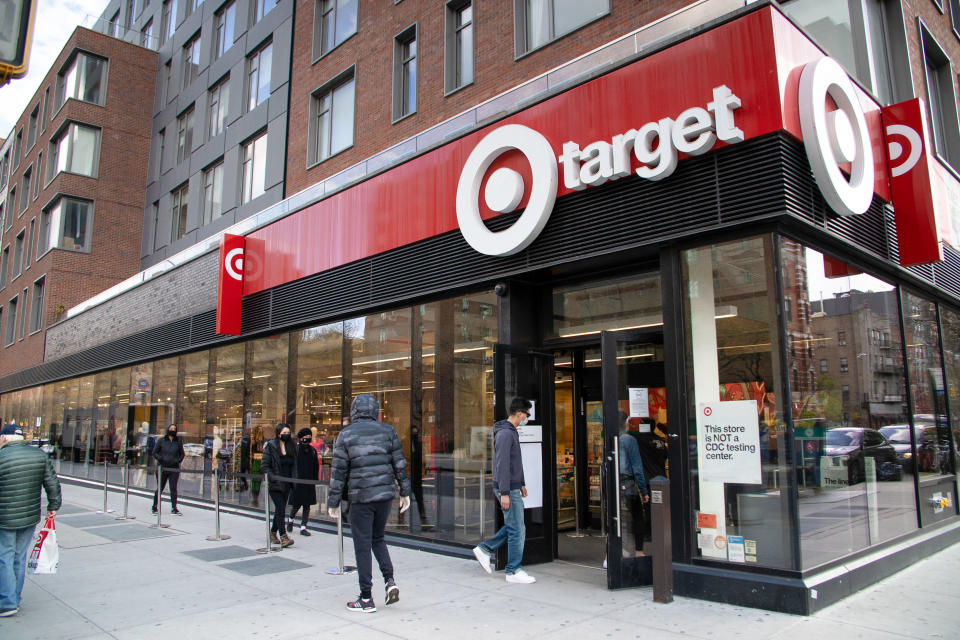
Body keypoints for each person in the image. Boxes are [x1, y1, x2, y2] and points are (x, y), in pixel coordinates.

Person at [328, 394, 411, 613]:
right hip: (384, 495)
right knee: (378, 538)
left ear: (355, 410)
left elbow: (338, 472)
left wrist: (333, 501)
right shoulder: (388, 431)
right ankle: (390, 580)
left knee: (362, 545)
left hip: (360, 497)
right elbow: (399, 463)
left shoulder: (346, 435)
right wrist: (405, 491)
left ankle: (366, 598)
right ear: (375, 410)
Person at [0, 424, 61, 617]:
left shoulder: (2, 457)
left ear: (4, 438)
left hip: (5, 517)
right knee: (18, 556)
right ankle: (14, 598)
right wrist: (53, 507)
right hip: (29, 516)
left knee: (5, 557)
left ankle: (7, 602)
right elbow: (52, 483)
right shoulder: (39, 455)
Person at [472, 397, 536, 584]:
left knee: (515, 526)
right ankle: (513, 570)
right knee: (517, 529)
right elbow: (502, 465)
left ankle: (485, 549)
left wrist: (521, 482)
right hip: (507, 488)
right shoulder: (506, 434)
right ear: (519, 414)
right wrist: (506, 492)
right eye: (527, 414)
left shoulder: (510, 432)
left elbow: (515, 462)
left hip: (513, 487)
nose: (527, 418)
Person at [619, 413, 650, 557]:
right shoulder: (629, 440)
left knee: (614, 519)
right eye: (628, 421)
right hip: (628, 485)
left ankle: (609, 555)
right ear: (625, 423)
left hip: (614, 484)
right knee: (638, 517)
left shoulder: (610, 438)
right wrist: (644, 491)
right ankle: (639, 551)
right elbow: (637, 468)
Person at [261, 423, 295, 548]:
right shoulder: (271, 446)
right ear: (278, 433)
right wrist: (272, 477)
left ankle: (272, 533)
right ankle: (283, 536)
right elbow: (264, 465)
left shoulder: (292, 446)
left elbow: (294, 464)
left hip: (287, 483)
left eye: (288, 433)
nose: (286, 435)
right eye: (284, 433)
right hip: (275, 483)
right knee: (281, 508)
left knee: (279, 509)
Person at [288, 428, 319, 536]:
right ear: (300, 438)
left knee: (307, 505)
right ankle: (290, 519)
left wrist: (314, 479)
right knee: (296, 505)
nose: (307, 439)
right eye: (305, 437)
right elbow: (292, 466)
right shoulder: (295, 450)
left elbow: (316, 466)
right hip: (298, 480)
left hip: (309, 481)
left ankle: (303, 526)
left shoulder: (313, 451)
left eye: (309, 437)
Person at [152, 424, 185, 515]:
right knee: (160, 488)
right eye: (171, 428)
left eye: (174, 429)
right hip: (162, 468)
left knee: (173, 488)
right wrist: (161, 458)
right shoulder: (161, 440)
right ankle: (154, 507)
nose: (172, 430)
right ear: (168, 429)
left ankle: (174, 508)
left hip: (174, 469)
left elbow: (182, 454)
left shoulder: (178, 441)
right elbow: (154, 453)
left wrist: (177, 461)